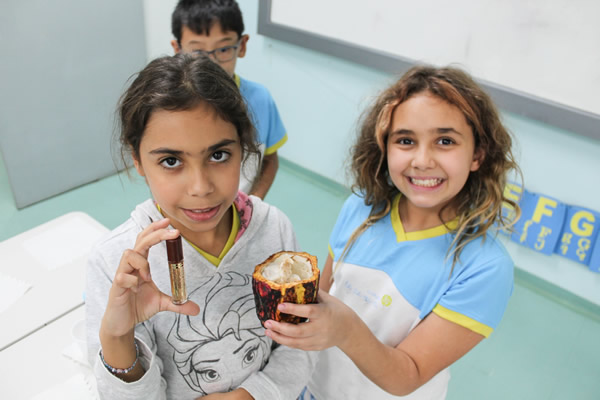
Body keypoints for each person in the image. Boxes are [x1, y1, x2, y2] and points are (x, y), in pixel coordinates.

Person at [264, 65, 522, 399]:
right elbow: (321, 295)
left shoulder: (485, 267)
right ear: (384, 146)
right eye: (405, 140)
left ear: (477, 154)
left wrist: (344, 329)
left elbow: (407, 376)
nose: (422, 160)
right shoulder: (361, 207)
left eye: (445, 141)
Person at [85, 53, 312, 400]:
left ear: (244, 147)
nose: (200, 187)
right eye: (171, 161)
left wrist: (251, 395)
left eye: (218, 155)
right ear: (137, 160)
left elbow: (300, 343)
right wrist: (117, 338)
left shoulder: (274, 230)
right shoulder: (117, 262)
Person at [171, 0, 287, 199]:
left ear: (241, 46)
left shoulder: (261, 100)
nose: (212, 63)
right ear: (178, 49)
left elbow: (270, 160)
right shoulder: (168, 107)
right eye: (198, 52)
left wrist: (254, 203)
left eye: (223, 49)